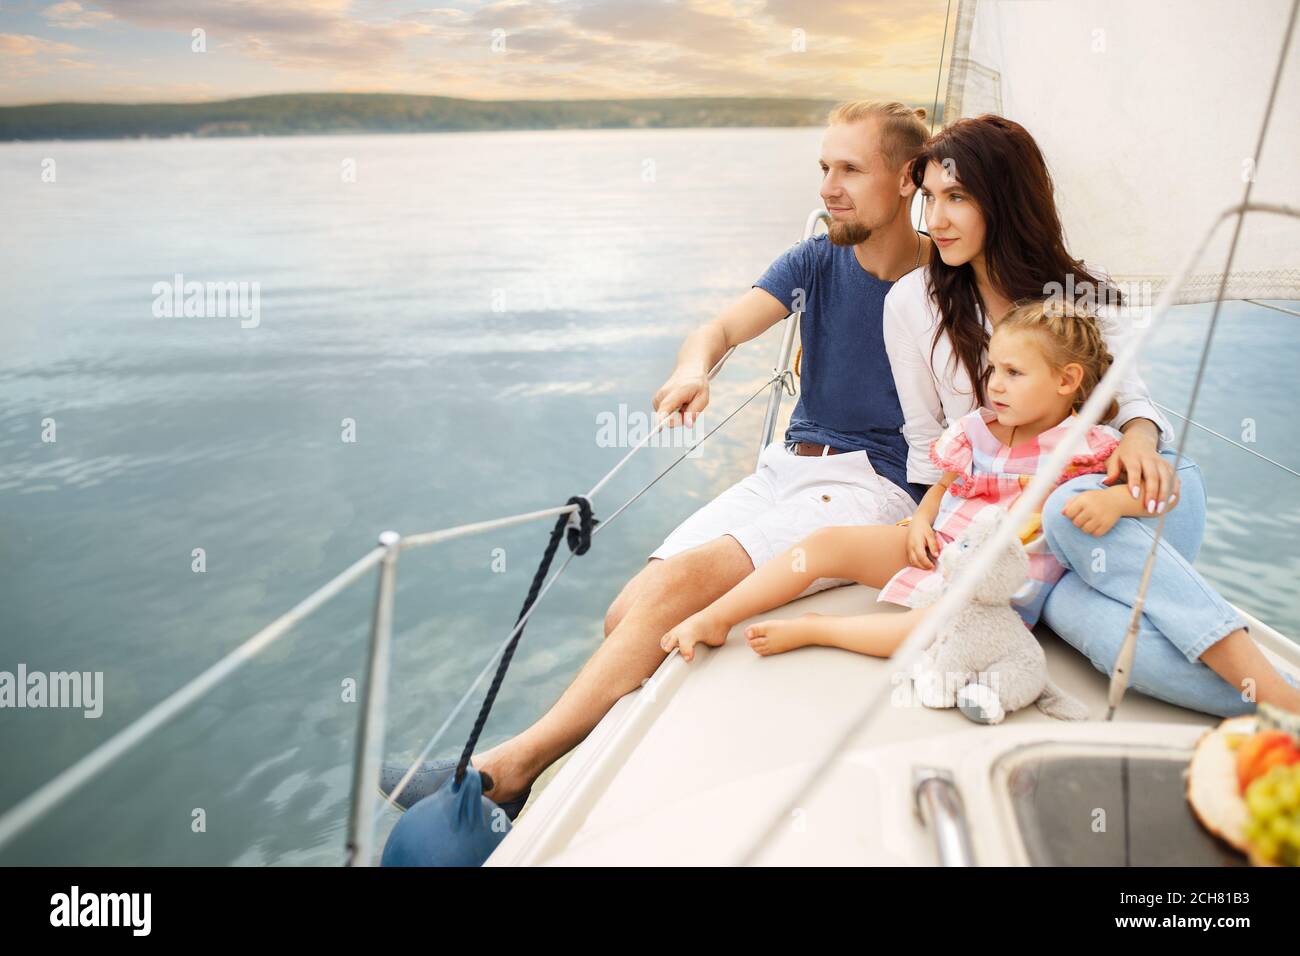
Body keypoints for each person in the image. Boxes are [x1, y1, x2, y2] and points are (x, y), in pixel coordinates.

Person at [379, 101, 939, 812]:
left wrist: (1135, 428)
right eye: (823, 167)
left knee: (672, 592)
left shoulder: (947, 278)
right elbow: (722, 326)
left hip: (874, 487)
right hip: (788, 466)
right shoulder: (817, 259)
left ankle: (509, 767)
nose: (828, 186)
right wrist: (694, 370)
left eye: (850, 169)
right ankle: (594, 773)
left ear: (905, 179)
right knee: (626, 613)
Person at [884, 115, 1300, 717]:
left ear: (1004, 198)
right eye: (929, 199)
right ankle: (1285, 704)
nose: (936, 220)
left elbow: (1133, 399)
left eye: (957, 197)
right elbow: (929, 446)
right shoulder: (910, 305)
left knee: (1065, 509)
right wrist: (943, 536)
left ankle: (1276, 692)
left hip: (1137, 494)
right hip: (1035, 550)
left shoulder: (1084, 289)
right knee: (1103, 636)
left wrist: (1140, 437)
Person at [660, 300, 1136, 659]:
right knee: (825, 544)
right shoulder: (978, 430)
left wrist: (1116, 504)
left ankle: (817, 629)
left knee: (937, 628)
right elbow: (944, 488)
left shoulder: (1085, 446)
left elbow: (1147, 495)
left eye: (1014, 372)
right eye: (993, 368)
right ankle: (716, 616)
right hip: (940, 547)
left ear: (1067, 380)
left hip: (997, 583)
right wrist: (923, 522)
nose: (994, 384)